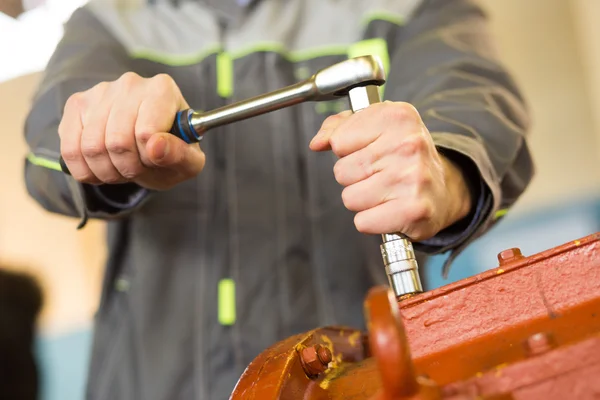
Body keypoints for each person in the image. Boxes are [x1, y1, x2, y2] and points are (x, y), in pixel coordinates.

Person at [22, 0, 534, 398]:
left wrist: (445, 170)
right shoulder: (109, 21)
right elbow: (47, 157)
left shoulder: (404, 6)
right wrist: (100, 141)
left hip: (364, 381)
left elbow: (475, 106)